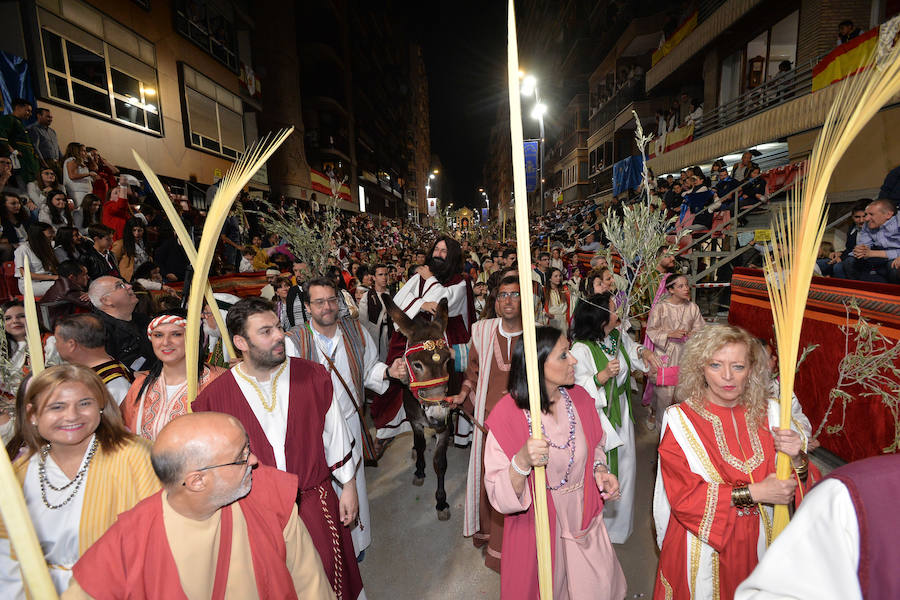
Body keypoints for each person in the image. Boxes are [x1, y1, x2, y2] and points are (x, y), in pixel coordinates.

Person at [193, 297, 364, 599]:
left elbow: (335, 434)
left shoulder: (312, 376)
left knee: (328, 578)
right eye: (265, 332)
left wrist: (348, 486)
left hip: (315, 501)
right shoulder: (213, 399)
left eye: (278, 328)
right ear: (239, 342)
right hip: (253, 513)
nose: (278, 337)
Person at [62, 412, 337, 599]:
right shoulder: (128, 542)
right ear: (196, 481)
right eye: (240, 456)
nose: (253, 460)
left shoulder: (268, 494)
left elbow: (310, 583)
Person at [653, 325, 810, 599]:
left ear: (751, 369)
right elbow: (683, 495)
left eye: (738, 366)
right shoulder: (680, 420)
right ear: (700, 367)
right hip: (703, 544)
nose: (727, 377)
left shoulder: (773, 413)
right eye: (716, 365)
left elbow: (803, 487)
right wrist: (755, 492)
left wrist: (797, 457)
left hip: (764, 538)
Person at [483, 325, 626, 599]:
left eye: (569, 351)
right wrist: (521, 462)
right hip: (538, 529)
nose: (573, 360)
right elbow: (497, 494)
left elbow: (595, 444)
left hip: (582, 518)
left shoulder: (581, 400)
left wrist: (600, 470)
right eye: (563, 355)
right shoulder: (507, 416)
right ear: (538, 364)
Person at [0, 364, 160, 597]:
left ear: (101, 407)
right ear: (33, 415)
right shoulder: (21, 471)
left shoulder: (134, 456)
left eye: (84, 403)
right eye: (57, 407)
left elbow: (159, 540)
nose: (72, 416)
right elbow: (6, 553)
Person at [285, 277, 406, 556]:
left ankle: (356, 546)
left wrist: (390, 372)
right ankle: (327, 549)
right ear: (307, 306)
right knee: (320, 492)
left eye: (332, 300)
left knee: (354, 485)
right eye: (319, 302)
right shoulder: (294, 342)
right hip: (313, 433)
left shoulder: (356, 332)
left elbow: (370, 369)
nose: (327, 307)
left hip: (350, 422)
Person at [735, 453, 900, 600]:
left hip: (767, 533)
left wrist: (797, 460)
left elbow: (799, 481)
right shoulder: (846, 493)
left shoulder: (845, 493)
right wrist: (751, 493)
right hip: (728, 537)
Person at [370, 235, 476, 448]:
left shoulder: (460, 280)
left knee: (457, 377)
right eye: (436, 249)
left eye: (444, 250)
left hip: (445, 333)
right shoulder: (419, 275)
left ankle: (454, 426)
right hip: (415, 331)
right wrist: (420, 303)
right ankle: (389, 427)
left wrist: (430, 280)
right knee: (397, 371)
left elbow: (445, 303)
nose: (438, 254)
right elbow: (399, 299)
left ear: (452, 254)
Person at [570, 292, 659, 544]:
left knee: (627, 465)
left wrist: (644, 353)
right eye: (612, 308)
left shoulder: (616, 337)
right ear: (600, 318)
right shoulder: (581, 348)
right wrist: (600, 377)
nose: (617, 312)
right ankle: (597, 528)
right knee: (601, 467)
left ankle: (618, 529)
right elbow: (575, 387)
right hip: (599, 415)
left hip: (622, 409)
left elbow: (632, 349)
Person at [453, 275, 523, 573]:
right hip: (488, 426)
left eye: (514, 295)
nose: (508, 300)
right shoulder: (481, 331)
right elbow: (472, 372)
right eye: (503, 295)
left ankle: (520, 546)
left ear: (526, 302)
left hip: (524, 426)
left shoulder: (536, 335)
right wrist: (463, 394)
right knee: (491, 485)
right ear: (495, 301)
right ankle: (493, 542)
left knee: (520, 488)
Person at [121, 310, 225, 440]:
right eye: (158, 335)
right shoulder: (142, 383)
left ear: (192, 338)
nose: (165, 342)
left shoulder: (219, 380)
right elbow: (123, 434)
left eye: (176, 334)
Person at [645, 274, 705, 429]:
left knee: (684, 392)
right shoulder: (661, 307)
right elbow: (651, 330)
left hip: (686, 355)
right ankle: (662, 429)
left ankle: (681, 431)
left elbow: (701, 329)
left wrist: (693, 335)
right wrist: (669, 335)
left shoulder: (693, 307)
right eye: (681, 286)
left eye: (686, 285)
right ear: (670, 289)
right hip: (665, 356)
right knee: (664, 395)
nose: (686, 289)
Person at [54, 313, 134, 406]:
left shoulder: (113, 384)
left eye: (57, 340)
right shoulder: (104, 371)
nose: (55, 345)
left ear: (71, 344)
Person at [88, 276, 154, 371]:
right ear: (106, 300)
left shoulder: (143, 320)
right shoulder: (98, 332)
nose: (129, 286)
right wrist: (130, 376)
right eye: (120, 286)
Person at [842, 199, 900, 283]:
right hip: (879, 259)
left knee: (895, 266)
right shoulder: (868, 224)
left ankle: (893, 294)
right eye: (866, 214)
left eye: (871, 214)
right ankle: (860, 292)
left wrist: (872, 253)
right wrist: (859, 250)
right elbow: (863, 246)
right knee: (849, 261)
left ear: (888, 214)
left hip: (893, 260)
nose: (866, 218)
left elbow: (870, 253)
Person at [0, 98, 39, 185]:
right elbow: (2, 139)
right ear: (18, 107)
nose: (30, 114)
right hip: (18, 166)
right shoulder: (8, 119)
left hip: (28, 166)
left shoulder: (20, 124)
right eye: (27, 110)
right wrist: (13, 151)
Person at [358, 264, 392, 362]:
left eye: (386, 274)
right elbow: (363, 322)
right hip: (373, 334)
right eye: (380, 275)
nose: (384, 278)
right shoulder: (367, 296)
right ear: (374, 277)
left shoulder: (392, 294)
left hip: (390, 333)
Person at [13, 222, 59, 295]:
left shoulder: (48, 246)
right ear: (38, 235)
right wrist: (53, 277)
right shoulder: (23, 249)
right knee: (61, 287)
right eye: (49, 233)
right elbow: (25, 274)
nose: (52, 236)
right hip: (31, 284)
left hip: (49, 279)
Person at [62, 143, 95, 207]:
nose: (86, 153)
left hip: (84, 191)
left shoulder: (80, 161)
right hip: (77, 192)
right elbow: (72, 175)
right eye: (83, 151)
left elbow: (95, 167)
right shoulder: (72, 160)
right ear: (76, 151)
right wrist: (88, 174)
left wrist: (90, 158)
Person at [543, 267, 571, 335]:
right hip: (551, 321)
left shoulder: (565, 289)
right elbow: (539, 308)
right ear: (549, 278)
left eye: (560, 276)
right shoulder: (543, 291)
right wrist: (546, 314)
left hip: (564, 322)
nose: (559, 278)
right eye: (556, 276)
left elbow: (570, 306)